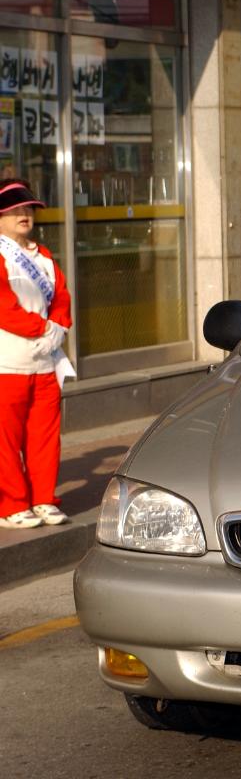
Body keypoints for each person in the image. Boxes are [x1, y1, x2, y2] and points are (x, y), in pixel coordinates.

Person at [0, 180, 73, 530]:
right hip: (7, 364)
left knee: (44, 437)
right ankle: (12, 504)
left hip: (45, 363)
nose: (24, 215)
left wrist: (59, 325)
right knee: (6, 440)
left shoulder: (43, 255)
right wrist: (45, 329)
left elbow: (61, 296)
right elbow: (4, 308)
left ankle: (43, 498)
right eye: (15, 210)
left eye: (28, 209)